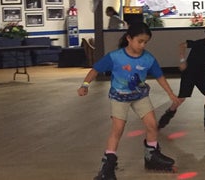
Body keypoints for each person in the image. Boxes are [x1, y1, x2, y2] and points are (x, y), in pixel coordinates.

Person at [77, 22, 181, 179]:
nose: (142, 45)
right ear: (129, 38)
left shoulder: (148, 59)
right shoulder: (115, 57)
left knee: (152, 125)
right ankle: (107, 165)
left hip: (140, 96)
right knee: (117, 130)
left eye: (145, 42)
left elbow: (160, 77)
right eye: (140, 41)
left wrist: (171, 94)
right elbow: (95, 69)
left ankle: (151, 157)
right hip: (119, 97)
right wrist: (85, 85)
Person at [158, 24, 205, 131]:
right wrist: (182, 61)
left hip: (201, 73)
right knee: (181, 99)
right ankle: (168, 114)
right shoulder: (199, 43)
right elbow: (182, 45)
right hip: (189, 73)